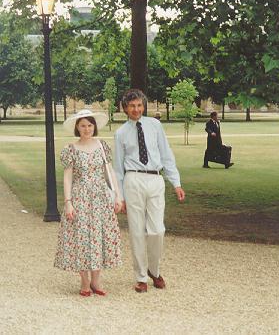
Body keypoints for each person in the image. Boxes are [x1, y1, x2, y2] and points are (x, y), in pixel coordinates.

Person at [114, 89, 185, 293]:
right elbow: (118, 168)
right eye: (132, 106)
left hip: (155, 178)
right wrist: (119, 197)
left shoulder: (155, 125)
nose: (136, 109)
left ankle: (154, 270)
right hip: (133, 179)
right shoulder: (120, 133)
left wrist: (176, 182)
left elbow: (166, 154)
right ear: (125, 108)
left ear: (143, 106)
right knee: (136, 230)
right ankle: (141, 277)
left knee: (157, 230)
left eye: (139, 105)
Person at [54, 109, 122, 297]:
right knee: (81, 237)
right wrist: (68, 202)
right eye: (83, 125)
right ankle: (84, 281)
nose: (87, 129)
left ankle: (96, 280)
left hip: (100, 197)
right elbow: (67, 177)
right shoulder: (71, 149)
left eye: (90, 125)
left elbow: (110, 172)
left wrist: (117, 195)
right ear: (77, 127)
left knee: (99, 235)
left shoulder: (102, 146)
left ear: (95, 126)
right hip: (80, 197)